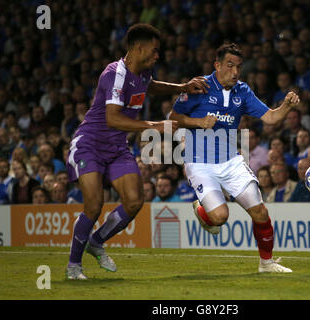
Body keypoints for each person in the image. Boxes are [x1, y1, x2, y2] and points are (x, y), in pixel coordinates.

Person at [65, 23, 208, 280]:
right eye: (154, 51)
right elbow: (113, 119)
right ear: (138, 48)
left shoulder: (143, 72)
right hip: (91, 144)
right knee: (94, 205)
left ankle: (96, 242)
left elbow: (150, 86)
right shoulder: (114, 75)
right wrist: (154, 125)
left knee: (133, 201)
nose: (157, 56)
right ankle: (74, 266)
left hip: (117, 147)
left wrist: (182, 87)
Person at [169, 43, 299, 273]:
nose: (235, 72)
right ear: (217, 66)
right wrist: (198, 122)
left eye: (238, 66)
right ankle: (202, 210)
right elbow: (173, 117)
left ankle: (266, 264)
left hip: (230, 160)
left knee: (259, 211)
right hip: (200, 162)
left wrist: (286, 106)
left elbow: (269, 117)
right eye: (230, 66)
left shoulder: (243, 91)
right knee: (219, 218)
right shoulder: (199, 86)